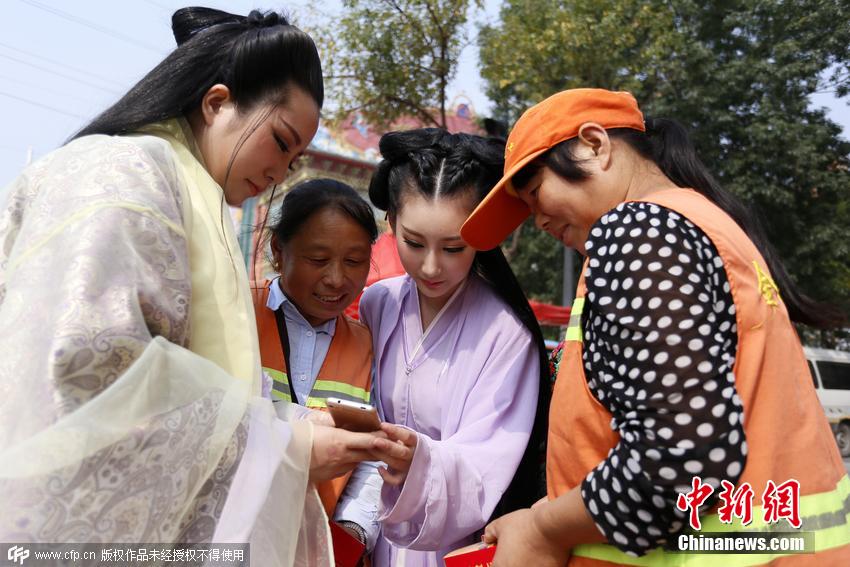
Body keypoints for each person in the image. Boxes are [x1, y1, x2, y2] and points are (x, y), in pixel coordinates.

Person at [0, 7, 381, 565]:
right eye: (279, 141)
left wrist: (293, 427)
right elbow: (91, 369)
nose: (280, 172)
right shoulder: (122, 175)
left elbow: (183, 373)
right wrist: (286, 443)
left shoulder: (183, 191)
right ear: (216, 102)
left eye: (296, 157)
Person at [459, 88, 850, 565]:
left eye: (536, 192)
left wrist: (543, 529)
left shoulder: (639, 232)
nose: (537, 220)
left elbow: (680, 462)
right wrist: (558, 507)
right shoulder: (702, 223)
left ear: (595, 145)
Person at [350, 128, 552, 566]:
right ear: (391, 224)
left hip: (452, 545)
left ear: (481, 235)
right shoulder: (376, 304)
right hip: (368, 530)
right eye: (413, 242)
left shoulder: (505, 332)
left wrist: (418, 461)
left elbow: (488, 462)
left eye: (454, 247)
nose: (431, 266)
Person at [251, 178, 382, 553]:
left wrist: (353, 531)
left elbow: (373, 455)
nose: (337, 279)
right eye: (318, 260)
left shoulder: (368, 346)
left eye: (354, 262)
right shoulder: (237, 313)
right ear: (278, 250)